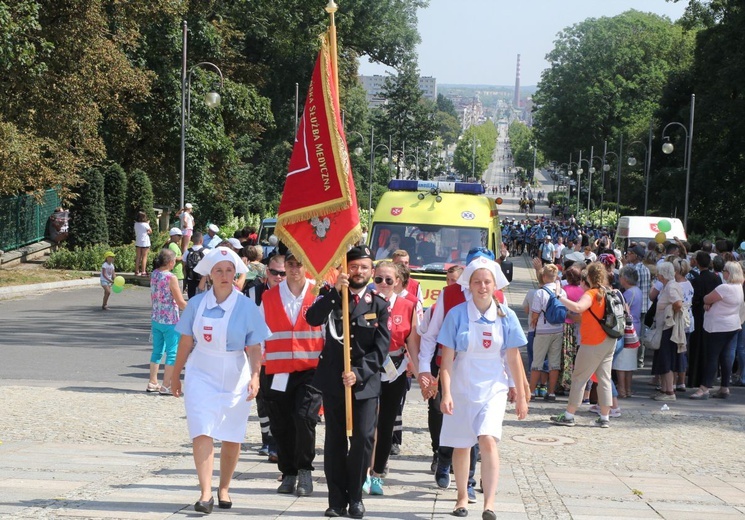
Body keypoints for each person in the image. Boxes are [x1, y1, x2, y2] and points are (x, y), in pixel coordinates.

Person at [171, 247, 270, 514]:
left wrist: (255, 376)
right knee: (202, 428)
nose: (224, 275)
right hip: (201, 370)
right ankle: (205, 492)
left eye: (229, 271)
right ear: (210, 275)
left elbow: (254, 345)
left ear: (235, 274)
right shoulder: (196, 304)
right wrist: (175, 374)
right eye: (219, 271)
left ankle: (224, 486)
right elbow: (185, 340)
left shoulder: (246, 306)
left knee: (231, 434)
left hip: (235, 372)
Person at [438, 256, 529, 519]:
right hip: (462, 385)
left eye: (487, 281)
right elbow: (446, 361)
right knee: (462, 444)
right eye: (477, 281)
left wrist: (521, 396)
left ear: (494, 284)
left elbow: (513, 359)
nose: (482, 286)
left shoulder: (506, 315)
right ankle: (462, 497)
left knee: (488, 439)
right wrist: (446, 393)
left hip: (493, 387)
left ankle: (490, 503)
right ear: (469, 284)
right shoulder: (456, 315)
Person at [305, 246, 390, 519]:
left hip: (363, 383)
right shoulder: (331, 297)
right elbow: (312, 318)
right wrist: (333, 293)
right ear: (345, 269)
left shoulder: (378, 304)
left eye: (364, 267)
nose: (358, 272)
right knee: (335, 441)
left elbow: (381, 348)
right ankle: (335, 501)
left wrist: (359, 372)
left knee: (364, 439)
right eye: (353, 267)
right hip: (334, 381)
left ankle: (355, 497)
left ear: (371, 271)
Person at [259, 251, 324, 497]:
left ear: (307, 267)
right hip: (277, 371)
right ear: (284, 266)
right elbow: (259, 334)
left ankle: (305, 470)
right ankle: (289, 473)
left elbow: (328, 332)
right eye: (290, 265)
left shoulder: (319, 294)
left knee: (304, 418)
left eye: (299, 264)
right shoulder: (269, 296)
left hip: (310, 370)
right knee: (281, 424)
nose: (295, 269)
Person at [364, 261, 419, 496]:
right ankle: (362, 471)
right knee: (365, 424)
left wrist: (421, 373)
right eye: (379, 279)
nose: (384, 284)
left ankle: (377, 474)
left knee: (386, 424)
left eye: (389, 280)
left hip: (394, 370)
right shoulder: (363, 304)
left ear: (398, 281)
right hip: (367, 369)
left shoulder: (408, 306)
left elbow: (413, 344)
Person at [551, 263, 619, 428]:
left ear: (588, 278)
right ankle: (604, 417)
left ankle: (569, 415)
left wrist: (560, 296)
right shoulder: (608, 292)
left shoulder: (591, 293)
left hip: (593, 341)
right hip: (609, 340)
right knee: (604, 379)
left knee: (579, 378)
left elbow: (578, 307)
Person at [244, 254, 286, 462]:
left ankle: (277, 442)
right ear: (266, 272)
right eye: (274, 272)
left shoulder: (291, 295)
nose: (278, 277)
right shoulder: (253, 293)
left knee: (278, 401)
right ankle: (267, 440)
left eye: (283, 273)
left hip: (283, 357)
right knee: (262, 400)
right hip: (258, 356)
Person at [692, 261, 744, 399]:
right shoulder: (738, 287)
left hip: (718, 326)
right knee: (726, 357)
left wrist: (708, 303)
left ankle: (704, 388)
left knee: (712, 357)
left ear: (729, 272)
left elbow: (706, 298)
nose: (723, 273)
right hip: (732, 324)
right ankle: (724, 387)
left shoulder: (724, 288)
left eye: (725, 270)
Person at [148, 248, 187, 394]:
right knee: (172, 352)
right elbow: (180, 301)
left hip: (156, 317)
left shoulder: (154, 274)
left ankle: (152, 381)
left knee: (157, 350)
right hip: (170, 320)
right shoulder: (171, 278)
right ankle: (166, 385)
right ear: (171, 262)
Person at [529, 264, 566, 401]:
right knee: (554, 363)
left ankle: (531, 392)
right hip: (558, 330)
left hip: (543, 331)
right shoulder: (562, 292)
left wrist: (534, 323)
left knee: (537, 362)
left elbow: (535, 314)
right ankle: (551, 393)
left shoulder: (540, 293)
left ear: (544, 277)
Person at [614, 266, 641, 398]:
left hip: (626, 330)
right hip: (635, 329)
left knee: (621, 363)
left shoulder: (628, 293)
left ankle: (622, 390)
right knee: (630, 364)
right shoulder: (638, 291)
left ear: (625, 278)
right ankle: (628, 389)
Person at [183, 232, 205, 299]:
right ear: (201, 241)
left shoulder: (187, 251)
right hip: (202, 279)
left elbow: (184, 265)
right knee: (202, 298)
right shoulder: (206, 251)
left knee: (191, 298)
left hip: (191, 278)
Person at [134, 211, 152, 276]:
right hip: (145, 242)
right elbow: (150, 231)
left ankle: (136, 271)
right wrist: (148, 224)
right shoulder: (145, 224)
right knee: (144, 257)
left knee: (138, 256)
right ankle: (143, 271)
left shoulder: (136, 224)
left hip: (138, 241)